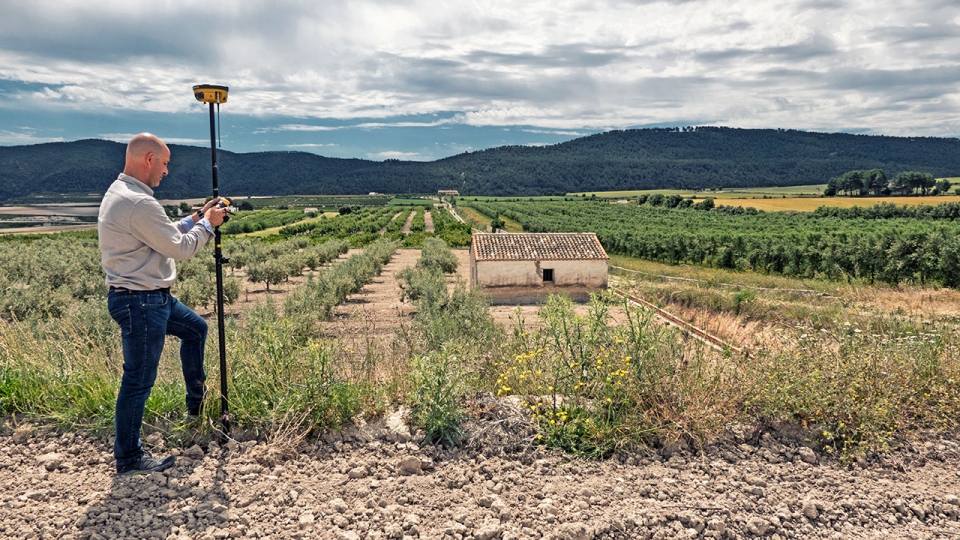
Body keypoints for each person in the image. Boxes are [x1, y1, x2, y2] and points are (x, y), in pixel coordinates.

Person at [98, 133, 229, 476]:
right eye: (166, 163)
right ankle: (128, 458)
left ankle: (194, 408)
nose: (167, 171)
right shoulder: (138, 202)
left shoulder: (123, 193)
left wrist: (197, 216)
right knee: (138, 379)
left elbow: (164, 234)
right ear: (149, 159)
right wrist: (209, 226)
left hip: (151, 297)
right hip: (141, 301)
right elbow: (181, 248)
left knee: (196, 329)